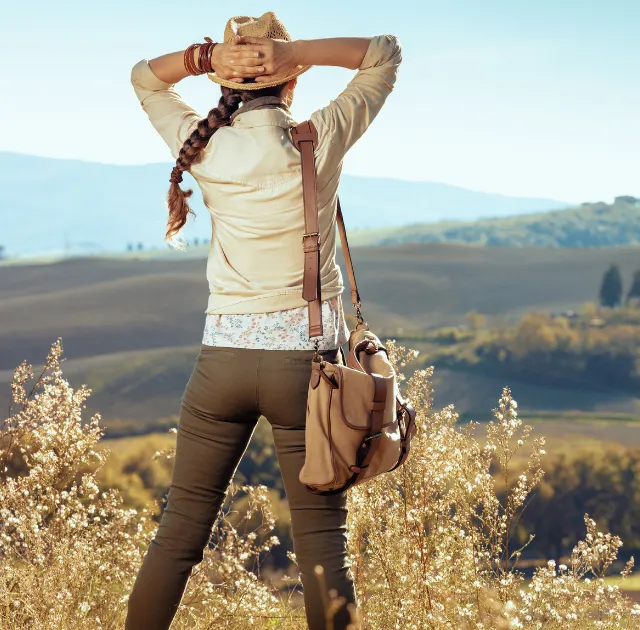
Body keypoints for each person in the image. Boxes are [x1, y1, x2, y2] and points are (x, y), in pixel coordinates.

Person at [124, 12, 401, 630]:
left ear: (225, 79)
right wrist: (295, 51)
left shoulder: (201, 142)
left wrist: (202, 57)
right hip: (304, 370)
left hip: (220, 361)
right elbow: (383, 54)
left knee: (178, 534)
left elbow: (144, 78)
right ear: (290, 77)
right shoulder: (317, 138)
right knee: (321, 541)